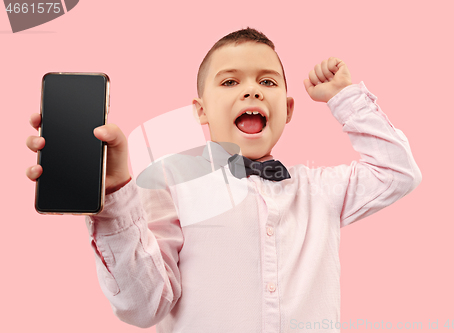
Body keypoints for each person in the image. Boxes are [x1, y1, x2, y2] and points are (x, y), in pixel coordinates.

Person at [26, 27, 422, 332]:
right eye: (230, 82)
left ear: (287, 109)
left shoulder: (320, 190)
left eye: (267, 82)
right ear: (201, 109)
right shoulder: (168, 180)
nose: (251, 90)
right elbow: (144, 306)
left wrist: (344, 97)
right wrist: (113, 196)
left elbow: (398, 171)